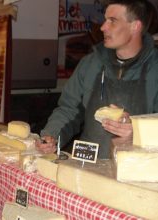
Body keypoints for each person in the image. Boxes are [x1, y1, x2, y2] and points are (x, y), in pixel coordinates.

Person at [36, 0, 158, 158]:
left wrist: (138, 133)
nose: (102, 27)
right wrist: (52, 136)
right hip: (88, 164)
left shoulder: (154, 68)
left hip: (135, 170)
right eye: (105, 19)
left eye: (112, 21)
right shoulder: (90, 63)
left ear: (135, 26)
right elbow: (69, 109)